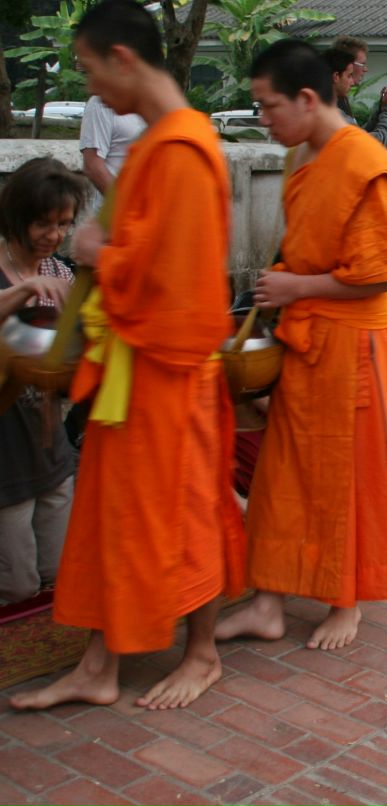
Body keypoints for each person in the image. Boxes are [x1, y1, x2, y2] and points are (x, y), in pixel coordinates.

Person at [10, 0, 245, 712]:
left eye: (88, 68)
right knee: (111, 517)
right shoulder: (153, 149)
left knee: (185, 514)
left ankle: (202, 654)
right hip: (130, 370)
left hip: (171, 372)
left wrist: (98, 254)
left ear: (123, 59)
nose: (89, 85)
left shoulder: (186, 150)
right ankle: (99, 665)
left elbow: (185, 287)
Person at [214, 39, 387, 652]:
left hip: (353, 348)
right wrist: (285, 287)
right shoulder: (304, 155)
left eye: (268, 106)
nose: (263, 119)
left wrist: (297, 286)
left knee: (344, 479)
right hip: (306, 341)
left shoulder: (365, 161)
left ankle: (344, 600)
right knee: (281, 476)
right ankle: (268, 602)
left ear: (307, 98)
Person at [0, 158, 85, 606]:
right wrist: (22, 291)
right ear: (16, 217)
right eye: (42, 223)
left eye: (63, 224)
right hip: (6, 451)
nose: (54, 235)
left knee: (58, 571)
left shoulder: (61, 273)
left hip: (48, 442)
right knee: (16, 585)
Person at [332, 35, 387, 148]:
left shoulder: (340, 99)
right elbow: (369, 145)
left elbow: (359, 136)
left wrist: (381, 111)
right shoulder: (330, 110)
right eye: (362, 64)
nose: (365, 69)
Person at [78, 94, 144, 206]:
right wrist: (127, 206)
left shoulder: (152, 102)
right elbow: (93, 166)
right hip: (116, 210)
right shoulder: (100, 102)